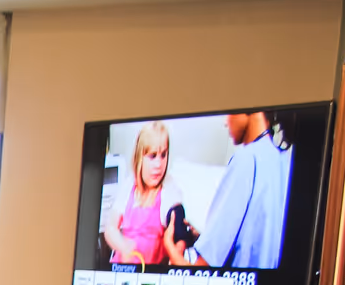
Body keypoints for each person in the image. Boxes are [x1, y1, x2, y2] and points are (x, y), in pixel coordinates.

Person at [172, 111, 291, 271]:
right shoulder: (283, 161)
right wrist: (205, 239)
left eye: (228, 113)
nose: (225, 123)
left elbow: (202, 271)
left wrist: (169, 247)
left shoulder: (246, 158)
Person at [103, 121, 184, 267]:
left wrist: (175, 260)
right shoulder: (129, 186)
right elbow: (110, 228)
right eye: (152, 156)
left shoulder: (169, 191)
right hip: (122, 270)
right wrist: (123, 246)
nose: (159, 165)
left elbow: (180, 238)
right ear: (140, 158)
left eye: (163, 155)